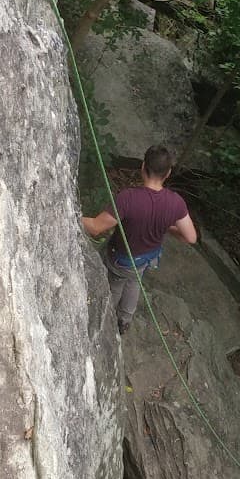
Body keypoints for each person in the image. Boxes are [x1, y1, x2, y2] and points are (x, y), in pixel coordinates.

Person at [81, 144, 198, 336]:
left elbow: (95, 227)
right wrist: (166, 225)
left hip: (121, 259)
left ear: (143, 166)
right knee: (134, 280)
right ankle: (125, 320)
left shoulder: (128, 198)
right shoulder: (176, 202)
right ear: (168, 173)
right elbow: (190, 237)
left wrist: (71, 213)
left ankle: (107, 316)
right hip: (147, 257)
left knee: (117, 284)